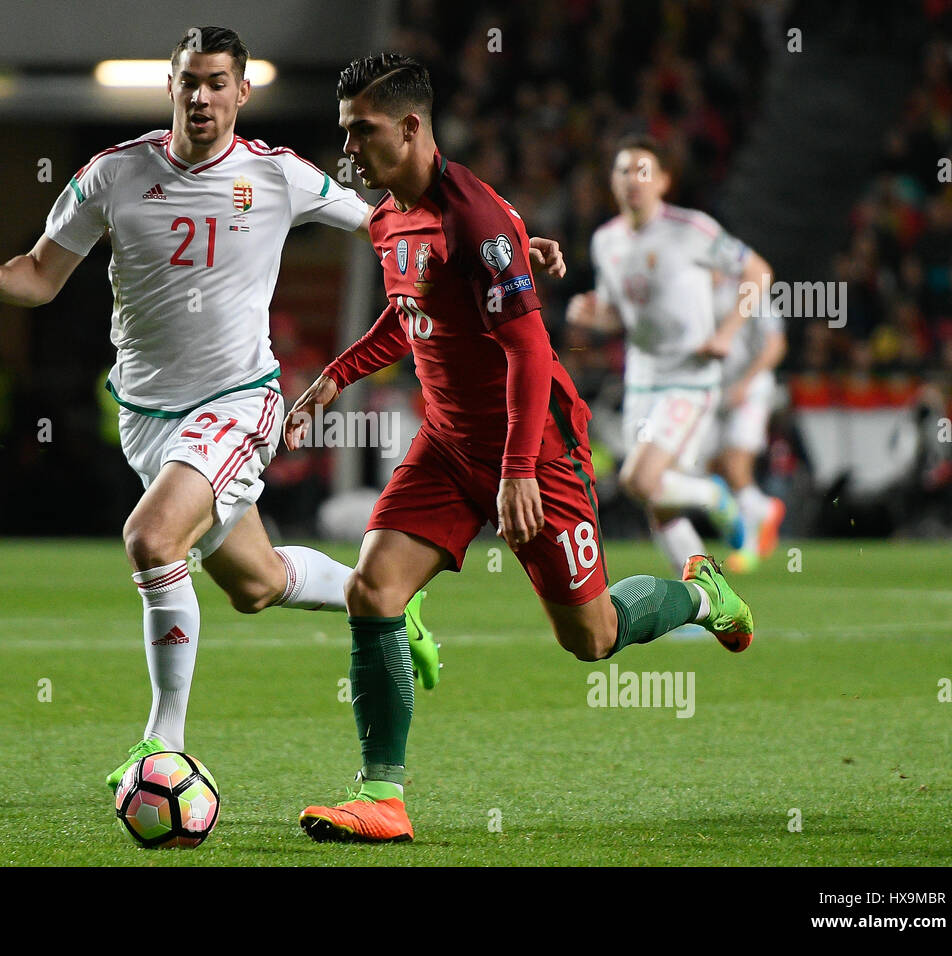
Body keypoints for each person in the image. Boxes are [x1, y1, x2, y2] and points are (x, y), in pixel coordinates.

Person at [0, 27, 565, 790]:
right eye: (187, 82)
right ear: (171, 87)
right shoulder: (111, 176)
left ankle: (161, 746)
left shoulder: (280, 177)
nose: (200, 97)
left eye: (215, 83)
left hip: (238, 402)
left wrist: (514, 245)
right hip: (145, 414)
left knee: (152, 538)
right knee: (256, 584)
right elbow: (39, 275)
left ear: (242, 93)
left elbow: (403, 223)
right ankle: (389, 605)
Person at [283, 55, 755, 844]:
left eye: (361, 132)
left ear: (409, 126)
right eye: (344, 133)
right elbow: (411, 314)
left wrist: (515, 470)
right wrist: (336, 378)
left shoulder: (472, 215)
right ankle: (382, 798)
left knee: (592, 637)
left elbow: (530, 351)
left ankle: (704, 594)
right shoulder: (386, 219)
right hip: (445, 444)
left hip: (532, 450)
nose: (349, 150)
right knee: (373, 592)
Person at [566, 136, 774, 574]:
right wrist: (593, 315)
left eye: (643, 170)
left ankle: (715, 496)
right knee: (656, 499)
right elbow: (619, 315)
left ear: (663, 181)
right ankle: (704, 597)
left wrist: (727, 333)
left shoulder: (691, 229)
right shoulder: (606, 241)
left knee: (639, 480)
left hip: (689, 379)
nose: (632, 180)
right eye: (623, 171)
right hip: (641, 381)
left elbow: (758, 271)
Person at [704, 271, 787, 571]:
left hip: (751, 388)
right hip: (718, 391)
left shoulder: (751, 292)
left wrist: (746, 382)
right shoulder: (698, 291)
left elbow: (776, 345)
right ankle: (763, 509)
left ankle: (748, 547)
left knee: (737, 464)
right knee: (710, 468)